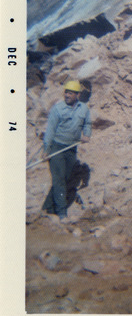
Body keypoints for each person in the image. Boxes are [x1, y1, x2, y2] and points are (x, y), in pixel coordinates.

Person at [41, 80, 92, 221]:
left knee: (64, 178)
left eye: (70, 93)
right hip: (57, 148)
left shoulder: (84, 109)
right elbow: (50, 131)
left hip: (71, 149)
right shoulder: (57, 109)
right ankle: (61, 213)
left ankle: (47, 208)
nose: (67, 95)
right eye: (66, 92)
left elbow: (87, 123)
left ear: (78, 95)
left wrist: (87, 134)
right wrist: (47, 150)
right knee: (59, 180)